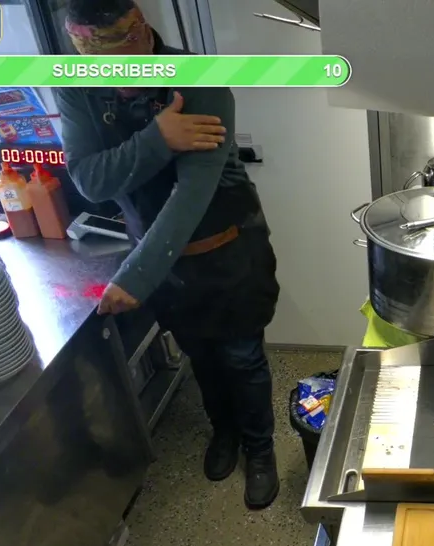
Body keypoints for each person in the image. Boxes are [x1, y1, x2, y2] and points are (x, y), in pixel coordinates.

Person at [54, 0, 282, 509]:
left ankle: (260, 448)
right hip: (167, 264)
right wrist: (158, 139)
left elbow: (192, 194)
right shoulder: (76, 87)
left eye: (118, 63)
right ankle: (224, 431)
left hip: (228, 250)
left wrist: (135, 276)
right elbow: (90, 181)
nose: (111, 77)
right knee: (201, 354)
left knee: (243, 357)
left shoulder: (199, 79)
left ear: (140, 29)